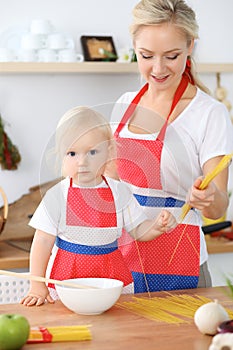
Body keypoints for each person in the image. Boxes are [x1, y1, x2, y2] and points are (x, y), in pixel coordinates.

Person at [110, 0, 233, 293]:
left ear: (190, 46)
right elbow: (112, 188)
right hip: (121, 259)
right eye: (146, 55)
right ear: (135, 48)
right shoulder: (124, 104)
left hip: (179, 262)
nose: (158, 68)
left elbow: (218, 209)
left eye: (172, 56)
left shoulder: (209, 113)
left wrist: (207, 197)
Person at [20, 106, 176, 306]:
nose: (82, 162)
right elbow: (42, 242)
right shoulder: (57, 196)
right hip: (67, 280)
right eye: (72, 153)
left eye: (92, 152)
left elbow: (139, 230)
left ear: (109, 152)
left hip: (111, 278)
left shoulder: (120, 192)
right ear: (61, 155)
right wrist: (37, 284)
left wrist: (156, 226)